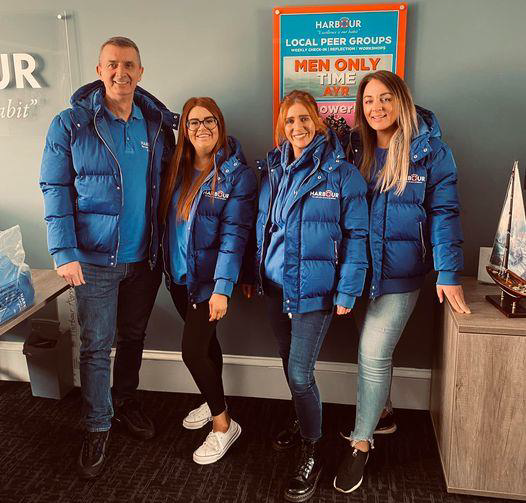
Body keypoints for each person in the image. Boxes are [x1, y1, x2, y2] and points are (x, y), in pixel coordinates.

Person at [40, 36, 178, 478]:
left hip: (144, 259)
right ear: (99, 71)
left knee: (133, 337)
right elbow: (54, 189)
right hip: (93, 260)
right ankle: (97, 426)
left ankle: (126, 404)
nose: (122, 73)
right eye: (113, 65)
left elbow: (175, 182)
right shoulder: (71, 125)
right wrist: (63, 250)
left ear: (141, 72)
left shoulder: (156, 125)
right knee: (97, 346)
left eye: (130, 65)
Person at [333, 70, 471, 494]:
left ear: (402, 101)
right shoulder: (353, 146)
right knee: (372, 348)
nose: (376, 107)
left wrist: (448, 271)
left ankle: (361, 443)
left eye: (385, 98)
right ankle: (386, 413)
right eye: (369, 100)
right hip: (358, 272)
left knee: (372, 353)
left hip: (401, 274)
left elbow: (444, 213)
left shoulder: (431, 151)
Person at [254, 90, 368, 502]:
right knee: (289, 366)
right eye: (289, 122)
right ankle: (302, 422)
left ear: (318, 122)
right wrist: (255, 271)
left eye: (304, 119)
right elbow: (264, 227)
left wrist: (348, 288)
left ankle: (312, 448)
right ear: (282, 128)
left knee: (301, 374)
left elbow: (358, 235)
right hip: (275, 287)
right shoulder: (273, 167)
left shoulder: (342, 174)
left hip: (315, 291)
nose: (297, 128)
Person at [159, 97, 257, 465]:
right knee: (206, 344)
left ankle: (223, 425)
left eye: (210, 121)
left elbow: (235, 236)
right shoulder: (174, 168)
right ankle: (212, 396)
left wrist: (222, 288)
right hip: (178, 276)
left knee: (193, 351)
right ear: (184, 129)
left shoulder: (238, 175)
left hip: (208, 282)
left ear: (221, 125)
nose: (202, 128)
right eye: (193, 122)